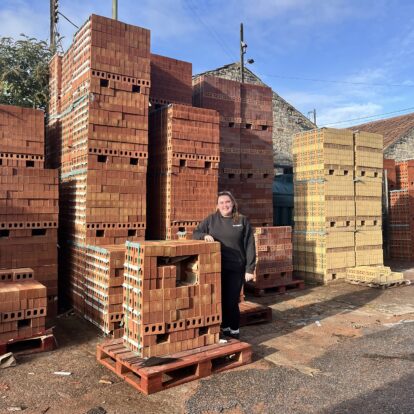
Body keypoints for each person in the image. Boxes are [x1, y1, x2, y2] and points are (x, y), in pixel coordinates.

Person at [192, 191, 256, 339]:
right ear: (217, 206)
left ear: (233, 203)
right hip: (216, 268)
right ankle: (223, 327)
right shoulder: (211, 220)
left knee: (231, 300)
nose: (225, 205)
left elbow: (250, 246)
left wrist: (250, 269)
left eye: (227, 202)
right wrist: (204, 235)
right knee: (218, 298)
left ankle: (234, 329)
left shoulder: (242, 220)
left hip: (236, 267)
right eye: (221, 203)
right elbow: (196, 232)